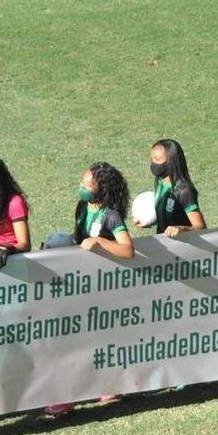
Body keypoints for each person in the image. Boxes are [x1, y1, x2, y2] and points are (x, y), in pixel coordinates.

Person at [46, 162, 133, 414]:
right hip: (82, 284)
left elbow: (127, 250)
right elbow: (79, 240)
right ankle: (69, 397)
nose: (81, 185)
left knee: (95, 341)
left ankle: (107, 386)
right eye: (82, 180)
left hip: (104, 287)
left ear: (101, 187)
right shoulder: (82, 207)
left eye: (87, 182)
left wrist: (100, 242)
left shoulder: (111, 216)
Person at [144, 139, 206, 237]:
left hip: (183, 244)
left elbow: (201, 227)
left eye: (156, 159)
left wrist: (181, 229)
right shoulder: (159, 182)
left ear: (170, 161)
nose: (153, 163)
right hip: (165, 242)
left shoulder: (184, 191)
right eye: (151, 159)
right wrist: (147, 220)